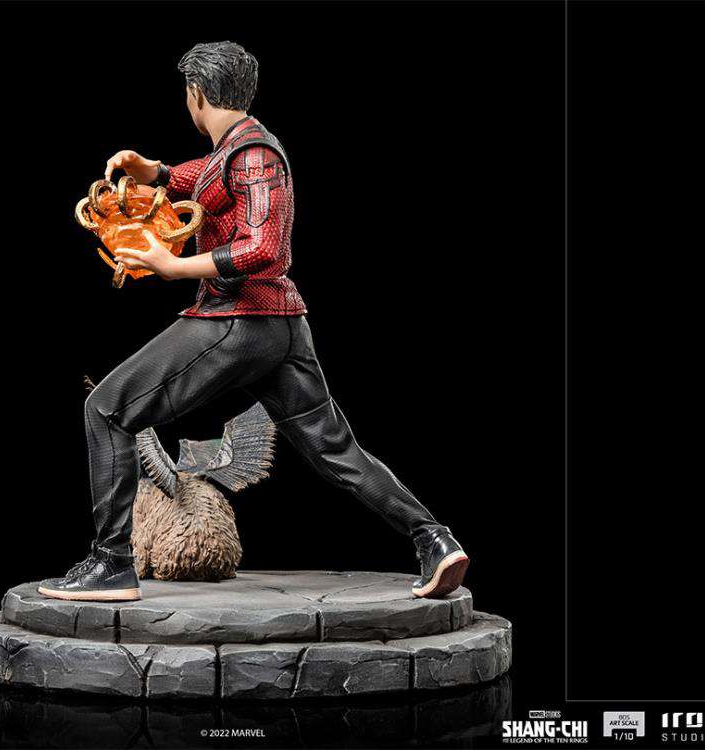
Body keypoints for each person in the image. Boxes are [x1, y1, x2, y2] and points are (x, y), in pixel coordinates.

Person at [38, 41, 468, 602]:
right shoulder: (238, 148)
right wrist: (156, 171)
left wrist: (174, 266)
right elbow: (205, 179)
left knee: (107, 409)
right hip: (282, 329)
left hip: (238, 321)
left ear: (196, 94)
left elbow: (265, 248)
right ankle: (434, 539)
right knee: (336, 450)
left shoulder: (253, 154)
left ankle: (112, 564)